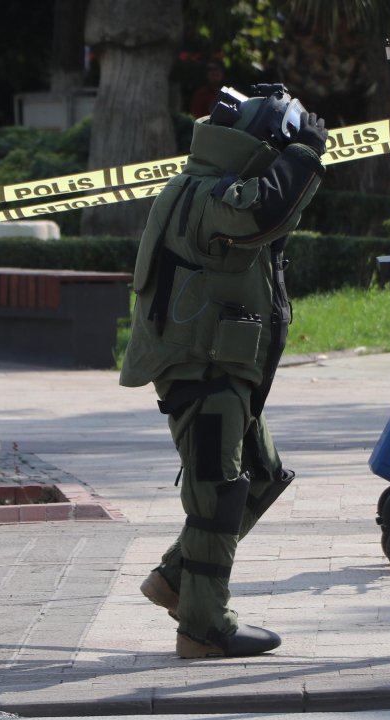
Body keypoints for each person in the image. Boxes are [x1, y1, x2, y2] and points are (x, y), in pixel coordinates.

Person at [119, 84, 327, 658]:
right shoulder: (207, 194)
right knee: (216, 492)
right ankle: (204, 626)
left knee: (260, 474)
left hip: (227, 365)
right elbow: (266, 210)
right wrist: (305, 153)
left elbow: (271, 212)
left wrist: (296, 155)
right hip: (201, 365)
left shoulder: (213, 186)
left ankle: (178, 579)